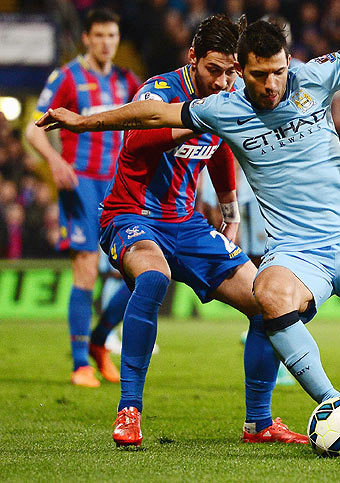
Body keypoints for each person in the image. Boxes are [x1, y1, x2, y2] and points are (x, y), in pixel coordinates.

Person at [37, 19, 340, 452]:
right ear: (242, 71)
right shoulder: (220, 107)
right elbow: (150, 117)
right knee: (268, 294)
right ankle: (331, 406)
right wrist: (83, 121)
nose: (270, 85)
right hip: (286, 247)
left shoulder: (314, 77)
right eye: (259, 75)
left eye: (278, 72)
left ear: (288, 63)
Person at [44, 14, 308, 448]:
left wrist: (229, 207)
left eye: (232, 72)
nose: (224, 82)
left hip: (185, 222)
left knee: (268, 302)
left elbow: (221, 148)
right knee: (153, 278)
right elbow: (139, 140)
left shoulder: (231, 96)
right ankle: (128, 411)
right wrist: (203, 120)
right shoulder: (161, 90)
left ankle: (258, 424)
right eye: (213, 70)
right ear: (192, 59)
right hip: (130, 214)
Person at [25, 8, 140, 388]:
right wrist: (55, 160)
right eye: (100, 36)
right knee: (87, 266)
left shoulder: (128, 81)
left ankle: (99, 340)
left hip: (121, 186)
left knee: (139, 271)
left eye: (113, 36)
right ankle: (80, 364)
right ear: (86, 39)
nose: (107, 42)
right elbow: (33, 129)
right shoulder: (68, 77)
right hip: (81, 183)